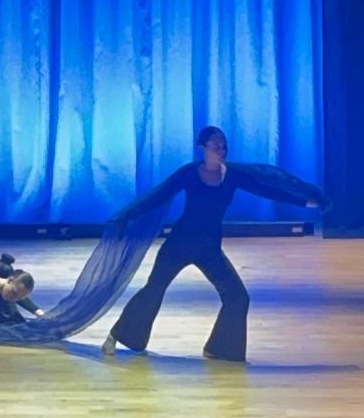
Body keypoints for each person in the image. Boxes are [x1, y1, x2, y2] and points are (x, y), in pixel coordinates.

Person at [103, 126, 326, 362]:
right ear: (203, 148)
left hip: (209, 249)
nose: (222, 150)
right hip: (178, 245)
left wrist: (304, 202)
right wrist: (126, 216)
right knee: (153, 290)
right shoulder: (189, 173)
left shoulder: (232, 176)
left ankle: (220, 350)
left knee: (238, 298)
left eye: (224, 145)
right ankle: (118, 335)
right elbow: (158, 195)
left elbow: (267, 189)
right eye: (216, 146)